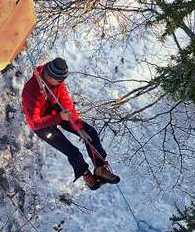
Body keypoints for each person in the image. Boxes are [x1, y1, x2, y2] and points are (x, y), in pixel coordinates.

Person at [21, 57, 120, 190]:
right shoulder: (30, 90)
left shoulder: (58, 84)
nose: (60, 83)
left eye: (61, 81)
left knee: (90, 133)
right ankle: (85, 172)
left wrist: (79, 129)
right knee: (73, 152)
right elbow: (34, 122)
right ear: (49, 75)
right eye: (58, 80)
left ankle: (100, 168)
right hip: (42, 125)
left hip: (56, 112)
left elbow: (67, 106)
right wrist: (58, 118)